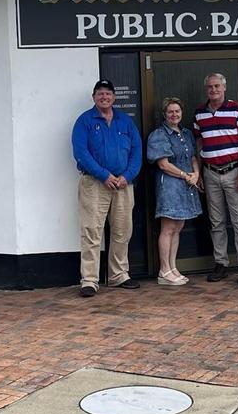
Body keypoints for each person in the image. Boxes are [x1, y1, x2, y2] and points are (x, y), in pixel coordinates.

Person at [71, 79, 142, 297]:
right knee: (92, 232)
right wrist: (104, 175)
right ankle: (90, 280)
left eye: (108, 94)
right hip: (95, 184)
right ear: (94, 97)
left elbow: (137, 151)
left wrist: (127, 176)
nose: (104, 97)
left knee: (122, 231)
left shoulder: (125, 121)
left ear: (114, 97)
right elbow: (81, 152)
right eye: (100, 94)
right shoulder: (84, 121)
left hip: (123, 184)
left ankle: (118, 275)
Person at [194, 73, 238, 286]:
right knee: (216, 222)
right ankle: (220, 263)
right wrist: (199, 173)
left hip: (234, 171)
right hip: (210, 173)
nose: (213, 90)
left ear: (224, 87)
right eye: (210, 87)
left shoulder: (237, 109)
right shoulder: (199, 113)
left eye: (217, 86)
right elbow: (199, 145)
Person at [146, 97, 203, 286]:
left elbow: (193, 156)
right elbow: (163, 164)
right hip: (170, 186)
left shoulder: (186, 133)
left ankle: (173, 266)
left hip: (186, 186)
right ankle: (164, 270)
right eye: (170, 111)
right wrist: (186, 176)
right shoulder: (159, 135)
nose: (174, 114)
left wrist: (196, 173)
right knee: (168, 228)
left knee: (178, 228)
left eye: (177, 111)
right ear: (164, 114)